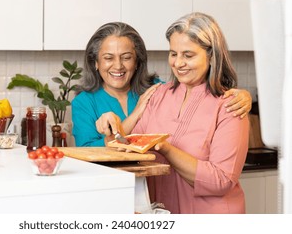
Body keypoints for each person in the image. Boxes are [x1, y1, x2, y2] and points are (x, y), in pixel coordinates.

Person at [96, 12, 250, 214]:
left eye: (188, 55)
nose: (178, 63)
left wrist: (166, 149)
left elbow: (221, 181)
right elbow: (126, 147)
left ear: (211, 55)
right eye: (173, 53)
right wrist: (112, 128)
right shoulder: (159, 94)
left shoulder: (230, 105)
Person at [72, 21, 252, 147]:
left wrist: (242, 95)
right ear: (95, 62)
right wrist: (135, 115)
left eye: (126, 58)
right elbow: (87, 152)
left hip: (156, 188)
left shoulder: (157, 90)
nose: (118, 66)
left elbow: (197, 95)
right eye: (108, 58)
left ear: (137, 61)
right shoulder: (84, 103)